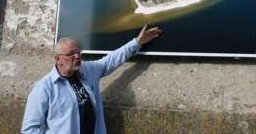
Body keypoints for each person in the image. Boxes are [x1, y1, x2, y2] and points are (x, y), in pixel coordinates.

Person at [21, 25, 161, 134]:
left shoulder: (87, 71)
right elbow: (29, 129)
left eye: (78, 52)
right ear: (58, 59)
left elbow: (110, 61)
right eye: (71, 54)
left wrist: (137, 42)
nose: (77, 56)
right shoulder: (44, 88)